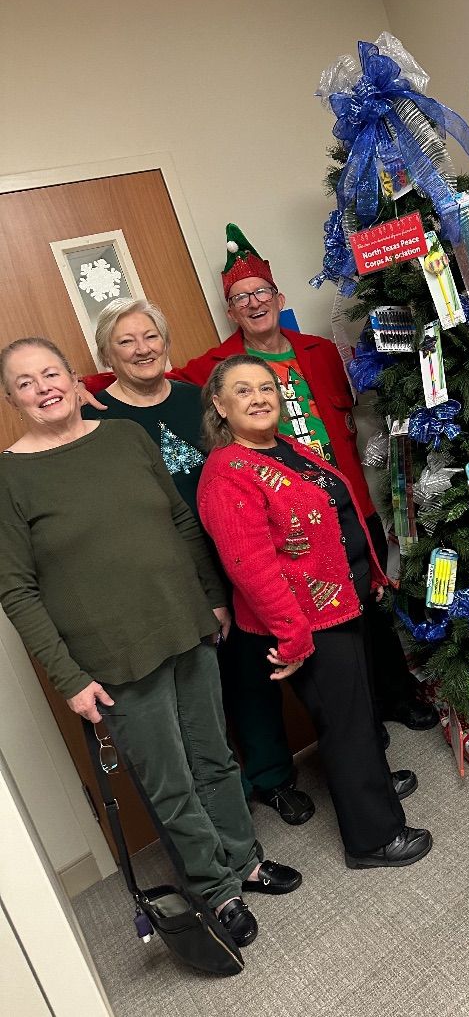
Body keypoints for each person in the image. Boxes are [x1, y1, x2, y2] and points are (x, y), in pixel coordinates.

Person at [0, 337, 300, 950]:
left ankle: (243, 860)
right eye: (26, 382)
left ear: (73, 377)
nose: (44, 387)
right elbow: (17, 590)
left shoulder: (124, 438)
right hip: (113, 662)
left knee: (215, 756)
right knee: (170, 780)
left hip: (185, 626)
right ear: (11, 399)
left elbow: (181, 521)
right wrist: (69, 679)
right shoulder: (9, 478)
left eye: (51, 372)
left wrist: (213, 598)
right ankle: (214, 889)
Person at [83, 223, 437, 733]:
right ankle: (360, 726)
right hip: (288, 528)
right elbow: (143, 374)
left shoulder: (318, 352)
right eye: (240, 298)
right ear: (230, 312)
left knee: (372, 613)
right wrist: (80, 387)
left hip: (347, 506)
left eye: (261, 292)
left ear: (278, 297)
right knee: (325, 628)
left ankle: (399, 698)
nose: (253, 303)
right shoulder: (212, 369)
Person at [82, 297, 315, 826]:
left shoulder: (201, 400)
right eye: (126, 341)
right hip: (165, 575)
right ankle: (219, 812)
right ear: (106, 354)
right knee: (189, 699)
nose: (143, 349)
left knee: (250, 675)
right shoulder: (96, 416)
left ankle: (273, 777)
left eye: (151, 337)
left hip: (237, 558)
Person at [197, 354, 433, 869]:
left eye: (266, 387)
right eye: (243, 391)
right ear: (219, 404)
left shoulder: (285, 449)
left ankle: (369, 782)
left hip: (341, 604)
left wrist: (368, 574)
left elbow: (338, 517)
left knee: (359, 709)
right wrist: (291, 634)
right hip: (305, 620)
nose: (259, 398)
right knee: (344, 721)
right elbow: (249, 566)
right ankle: (373, 838)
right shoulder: (227, 473)